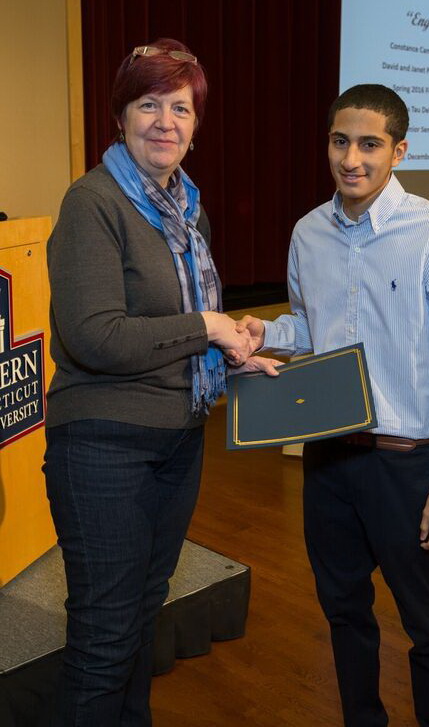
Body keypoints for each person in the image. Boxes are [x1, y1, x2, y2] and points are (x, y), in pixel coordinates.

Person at [239, 84, 429, 726]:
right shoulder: (308, 232)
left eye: (370, 144)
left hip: (404, 468)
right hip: (326, 464)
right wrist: (264, 332)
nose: (352, 158)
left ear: (398, 151)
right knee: (344, 616)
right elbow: (312, 328)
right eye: (340, 141)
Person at [44, 38, 276, 726]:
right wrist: (206, 328)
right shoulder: (93, 202)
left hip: (178, 438)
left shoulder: (186, 209)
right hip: (103, 446)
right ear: (120, 116)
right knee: (105, 633)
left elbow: (176, 325)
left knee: (143, 614)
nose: (165, 120)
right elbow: (94, 336)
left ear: (197, 123)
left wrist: (228, 349)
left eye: (180, 106)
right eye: (148, 104)